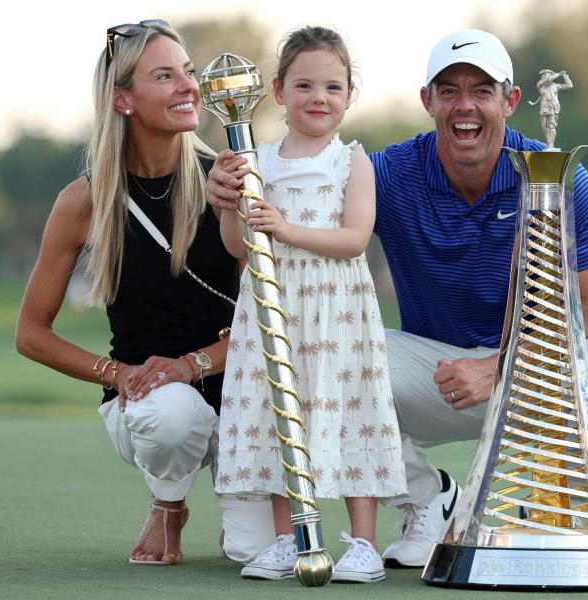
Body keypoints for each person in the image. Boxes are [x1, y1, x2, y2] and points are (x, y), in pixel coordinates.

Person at [206, 29, 588, 570]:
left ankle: (552, 502)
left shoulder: (563, 181)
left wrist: (499, 367)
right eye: (448, 91)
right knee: (321, 365)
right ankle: (430, 498)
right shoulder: (387, 172)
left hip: (528, 371)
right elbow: (301, 221)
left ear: (510, 101)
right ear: (428, 101)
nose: (464, 106)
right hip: (429, 367)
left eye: (482, 91)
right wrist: (235, 198)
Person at [15, 19, 274, 566]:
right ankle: (169, 502)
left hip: (244, 394)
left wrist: (193, 363)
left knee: (252, 550)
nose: (187, 86)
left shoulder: (226, 178)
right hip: (151, 402)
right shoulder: (84, 201)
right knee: (170, 416)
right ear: (123, 99)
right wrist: (118, 374)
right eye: (164, 76)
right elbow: (31, 333)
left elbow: (275, 320)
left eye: (187, 72)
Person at [213, 26, 406, 584]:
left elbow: (354, 239)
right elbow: (239, 249)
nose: (318, 97)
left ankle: (364, 544)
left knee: (349, 412)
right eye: (303, 85)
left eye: (332, 86)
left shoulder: (352, 163)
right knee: (282, 415)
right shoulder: (258, 162)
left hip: (336, 311)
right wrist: (231, 204)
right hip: (276, 309)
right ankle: (289, 538)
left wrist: (286, 228)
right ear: (278, 91)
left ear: (349, 96)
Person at [528, 68, 573, 149]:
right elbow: (548, 80)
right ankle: (549, 144)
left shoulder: (556, 86)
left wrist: (565, 76)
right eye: (542, 75)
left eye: (544, 74)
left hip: (553, 107)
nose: (542, 76)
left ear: (550, 74)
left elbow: (569, 85)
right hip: (544, 108)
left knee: (551, 126)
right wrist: (559, 74)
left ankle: (550, 145)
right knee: (544, 127)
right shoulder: (540, 84)